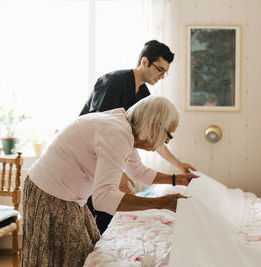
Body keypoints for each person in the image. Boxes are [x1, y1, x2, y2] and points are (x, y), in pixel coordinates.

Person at [22, 95, 198, 267]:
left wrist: (176, 179)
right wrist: (162, 202)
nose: (166, 141)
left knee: (87, 248)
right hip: (49, 192)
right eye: (168, 134)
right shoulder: (118, 135)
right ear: (153, 125)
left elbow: (137, 171)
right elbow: (103, 199)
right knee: (72, 257)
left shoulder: (125, 129)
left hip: (66, 193)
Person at [80, 40, 196, 233]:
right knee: (97, 211)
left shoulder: (143, 95)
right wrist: (120, 174)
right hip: (89, 154)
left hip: (109, 157)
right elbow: (100, 126)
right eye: (160, 70)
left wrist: (178, 165)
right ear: (144, 62)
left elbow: (154, 137)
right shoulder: (113, 82)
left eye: (165, 72)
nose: (162, 76)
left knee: (104, 215)